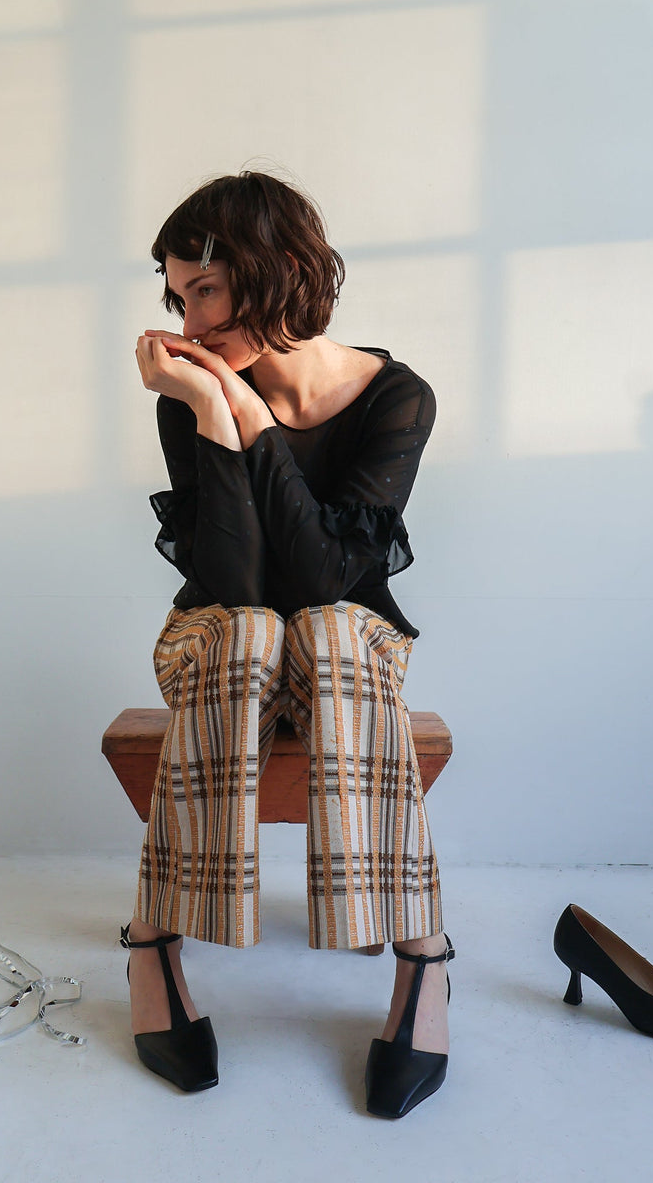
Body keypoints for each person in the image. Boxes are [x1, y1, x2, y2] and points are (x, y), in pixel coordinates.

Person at [125, 170, 453, 1118]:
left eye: (204, 291)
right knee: (250, 635)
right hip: (219, 639)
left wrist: (257, 419)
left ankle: (419, 960)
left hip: (347, 643)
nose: (187, 323)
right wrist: (212, 416)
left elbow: (325, 579)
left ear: (270, 274)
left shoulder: (396, 398)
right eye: (179, 296)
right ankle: (160, 946)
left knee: (330, 631)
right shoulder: (190, 395)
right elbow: (232, 587)